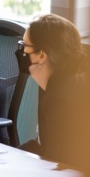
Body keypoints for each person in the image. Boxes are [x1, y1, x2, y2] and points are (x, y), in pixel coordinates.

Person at [17, 13, 90, 168]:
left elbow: (61, 162)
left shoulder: (62, 98)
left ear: (41, 55)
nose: (21, 52)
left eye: (24, 46)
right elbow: (44, 143)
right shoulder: (54, 80)